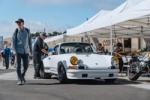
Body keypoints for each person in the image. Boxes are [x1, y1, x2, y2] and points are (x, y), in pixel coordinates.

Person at [12, 18, 32, 85]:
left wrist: (30, 51)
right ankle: (19, 80)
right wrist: (14, 50)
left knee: (26, 66)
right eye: (17, 23)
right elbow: (13, 41)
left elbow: (30, 41)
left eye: (19, 23)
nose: (18, 24)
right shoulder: (16, 31)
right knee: (18, 66)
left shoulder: (27, 30)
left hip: (26, 51)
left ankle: (22, 76)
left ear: (23, 23)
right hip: (18, 51)